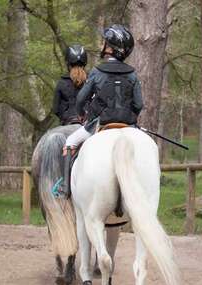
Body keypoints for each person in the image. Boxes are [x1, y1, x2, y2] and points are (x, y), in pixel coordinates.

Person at [58, 24, 143, 198]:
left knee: (70, 143)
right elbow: (139, 104)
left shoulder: (97, 71)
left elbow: (81, 99)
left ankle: (65, 188)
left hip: (100, 124)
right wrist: (131, 119)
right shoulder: (133, 74)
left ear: (111, 48)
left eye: (106, 43)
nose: (103, 45)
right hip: (128, 125)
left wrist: (82, 114)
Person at [52, 44, 88, 125]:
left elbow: (56, 109)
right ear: (85, 63)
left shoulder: (61, 83)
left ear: (68, 63)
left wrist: (65, 116)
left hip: (68, 121)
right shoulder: (91, 81)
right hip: (88, 122)